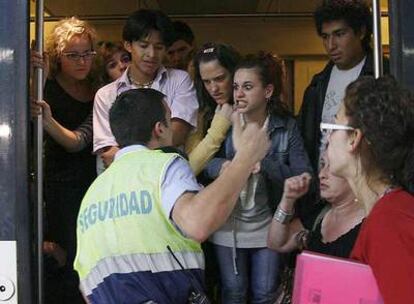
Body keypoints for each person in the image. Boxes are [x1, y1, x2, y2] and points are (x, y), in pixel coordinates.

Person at [74, 88, 271, 303]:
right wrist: (246, 157)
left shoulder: (93, 193)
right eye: (170, 119)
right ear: (159, 129)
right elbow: (197, 222)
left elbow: (85, 287)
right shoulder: (163, 165)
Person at [204, 53, 312, 303]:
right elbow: (204, 164)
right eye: (236, 87)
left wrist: (263, 164)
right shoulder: (223, 122)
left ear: (268, 91)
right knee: (234, 292)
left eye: (248, 87)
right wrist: (225, 166)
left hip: (269, 226)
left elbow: (305, 175)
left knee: (265, 293)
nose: (238, 94)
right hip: (226, 227)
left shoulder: (286, 126)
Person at [323, 75, 414, 304]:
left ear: (354, 138)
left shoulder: (389, 222)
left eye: (332, 127)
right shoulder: (386, 211)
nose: (327, 139)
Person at [31, 17, 98, 304]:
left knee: (88, 255)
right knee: (61, 257)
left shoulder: (98, 88)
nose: (82, 61)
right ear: (58, 57)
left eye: (87, 53)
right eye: (73, 55)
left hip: (91, 180)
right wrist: (37, 79)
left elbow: (80, 140)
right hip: (55, 185)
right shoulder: (47, 87)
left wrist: (49, 123)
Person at [93, 9, 198, 174]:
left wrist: (126, 153)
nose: (151, 54)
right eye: (143, 46)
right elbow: (108, 154)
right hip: (123, 185)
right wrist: (158, 146)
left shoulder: (179, 80)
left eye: (159, 47)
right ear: (128, 45)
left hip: (169, 177)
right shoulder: (106, 95)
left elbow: (176, 135)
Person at [298, 0, 378, 173]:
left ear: (361, 32)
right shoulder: (316, 85)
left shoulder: (381, 76)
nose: (331, 45)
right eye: (325, 37)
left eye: (339, 34)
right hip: (323, 188)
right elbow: (306, 143)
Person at [268, 155, 364, 257]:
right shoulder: (320, 213)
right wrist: (287, 200)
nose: (321, 174)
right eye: (322, 165)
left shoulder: (372, 221)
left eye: (332, 167)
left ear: (356, 174)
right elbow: (277, 244)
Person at [186, 42, 241, 175]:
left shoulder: (257, 108)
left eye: (220, 79)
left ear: (235, 74)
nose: (214, 88)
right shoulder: (201, 112)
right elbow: (189, 166)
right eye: (207, 81)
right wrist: (219, 127)